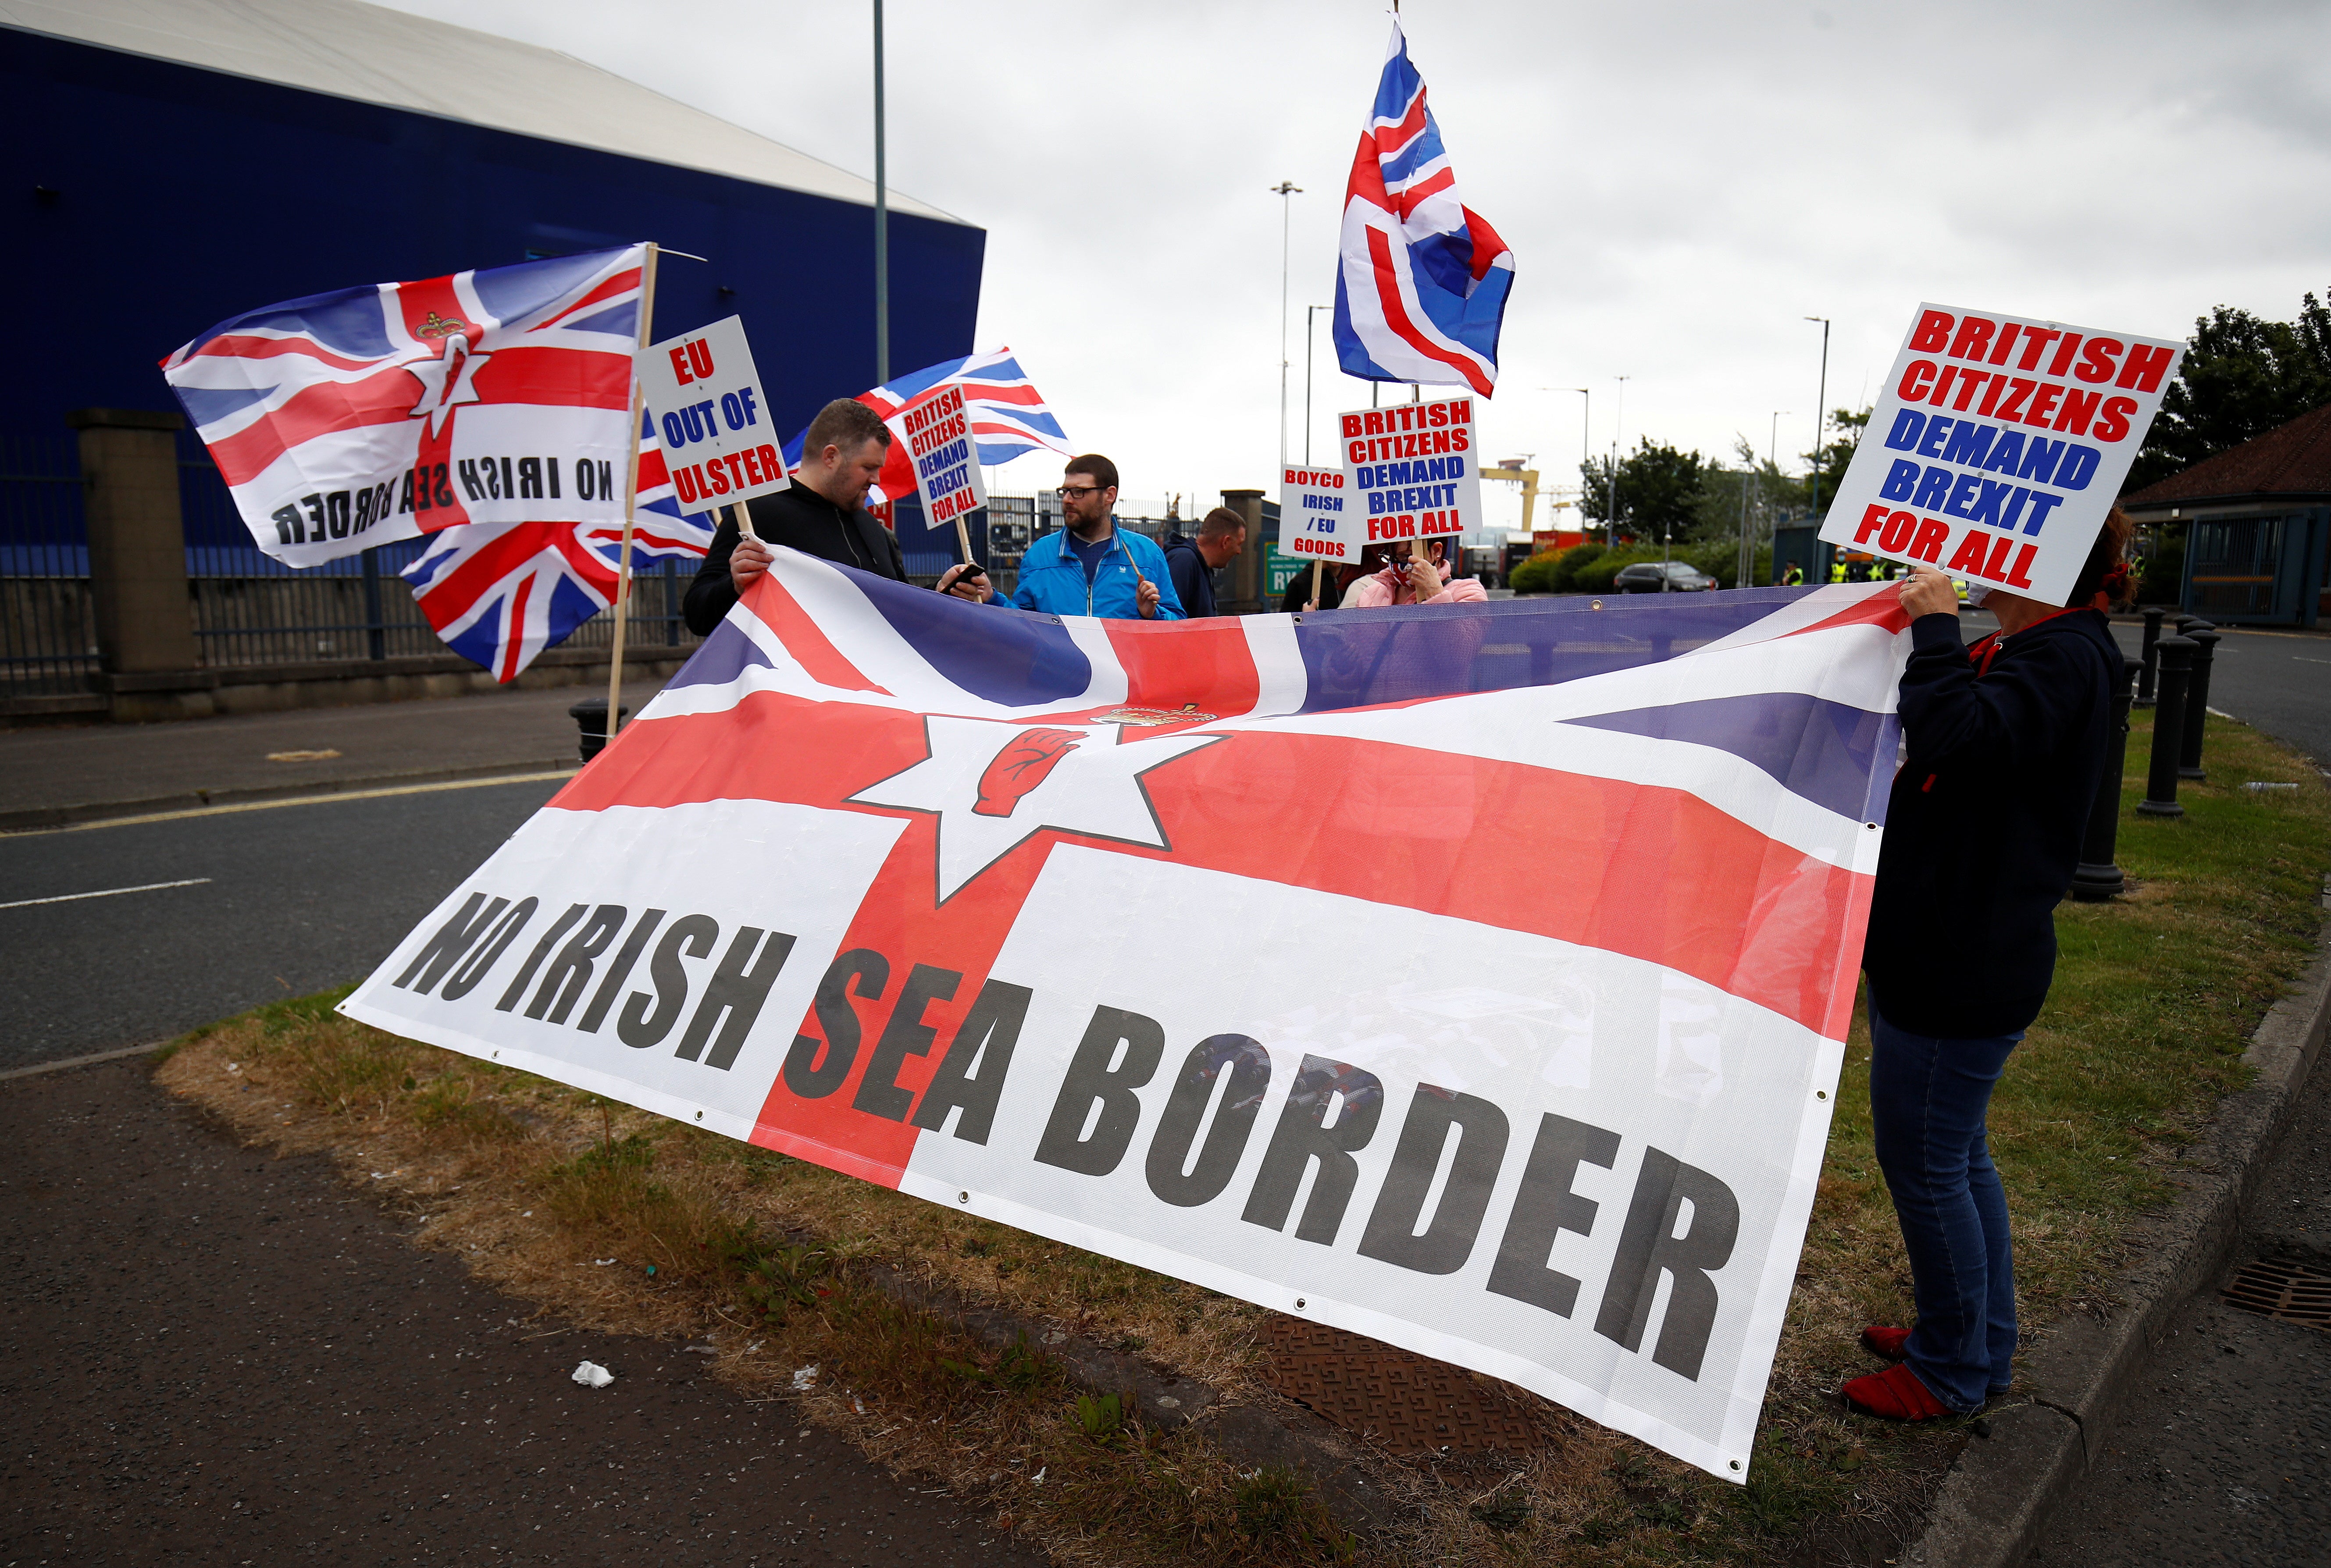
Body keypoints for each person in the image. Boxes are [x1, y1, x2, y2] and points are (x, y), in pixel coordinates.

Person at [1843, 511, 2132, 1423]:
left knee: (1927, 1163)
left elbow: (1957, 739)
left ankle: (1950, 1369)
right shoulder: (2046, 648)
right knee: (1957, 1158)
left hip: (1960, 960)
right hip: (1954, 946)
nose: (1979, 561)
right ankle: (1974, 1340)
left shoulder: (2065, 656)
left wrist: (1935, 630)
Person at [682, 398, 986, 635]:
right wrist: (734, 586)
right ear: (831, 457)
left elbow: (898, 615)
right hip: (798, 704)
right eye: (868, 467)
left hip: (876, 700)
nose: (877, 479)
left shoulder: (873, 529)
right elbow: (697, 615)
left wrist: (943, 592)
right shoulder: (759, 513)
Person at [939, 455, 1183, 620]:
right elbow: (1022, 624)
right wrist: (992, 598)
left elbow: (1179, 625)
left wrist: (1152, 614)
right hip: (1059, 689)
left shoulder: (1147, 555)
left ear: (1110, 495)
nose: (1067, 499)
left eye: (1079, 491)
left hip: (1125, 689)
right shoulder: (1040, 554)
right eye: (1065, 491)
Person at [1337, 538, 1490, 608]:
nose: (1398, 566)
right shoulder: (1371, 594)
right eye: (1391, 558)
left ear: (1436, 551)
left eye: (1406, 557)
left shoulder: (1469, 592)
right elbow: (1361, 660)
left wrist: (1434, 592)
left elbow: (1460, 652)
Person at [1161, 507, 1248, 618]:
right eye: (1239, 544)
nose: (1239, 551)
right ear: (1226, 542)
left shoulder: (1199, 565)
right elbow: (1168, 621)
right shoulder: (1184, 561)